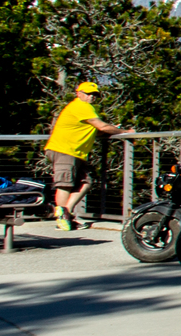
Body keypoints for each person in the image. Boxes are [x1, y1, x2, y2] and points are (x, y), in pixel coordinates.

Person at [42, 80, 137, 231]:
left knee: (86, 182)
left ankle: (66, 214)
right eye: (88, 94)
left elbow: (98, 129)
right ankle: (61, 217)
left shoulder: (85, 108)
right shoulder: (81, 106)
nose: (91, 97)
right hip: (64, 150)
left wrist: (112, 129)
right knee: (65, 184)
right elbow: (102, 126)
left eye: (94, 94)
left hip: (75, 152)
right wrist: (127, 132)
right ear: (79, 93)